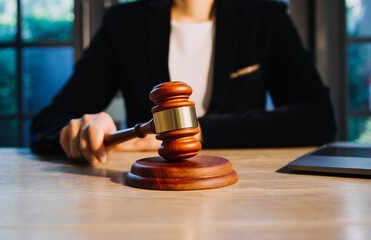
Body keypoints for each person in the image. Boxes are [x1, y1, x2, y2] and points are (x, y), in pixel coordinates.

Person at [31, 0, 337, 165]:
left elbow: (318, 119)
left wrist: (195, 130)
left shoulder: (267, 18)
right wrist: (79, 130)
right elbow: (46, 123)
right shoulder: (124, 23)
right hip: (147, 194)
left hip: (245, 193)